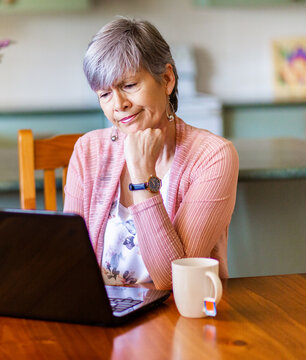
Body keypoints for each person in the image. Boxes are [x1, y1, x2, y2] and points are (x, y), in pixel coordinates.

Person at [63, 17, 239, 290]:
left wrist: (142, 175)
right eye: (104, 94)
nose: (118, 105)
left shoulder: (213, 157)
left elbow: (173, 281)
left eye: (129, 85)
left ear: (167, 79)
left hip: (179, 317)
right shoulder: (88, 150)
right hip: (103, 316)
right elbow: (71, 263)